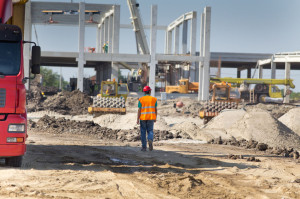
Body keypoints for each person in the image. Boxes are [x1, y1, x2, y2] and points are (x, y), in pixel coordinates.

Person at [137, 86, 157, 151]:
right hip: (151, 117)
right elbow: (155, 109)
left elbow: (139, 110)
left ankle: (144, 147)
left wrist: (137, 119)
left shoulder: (141, 99)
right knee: (150, 130)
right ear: (150, 91)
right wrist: (155, 117)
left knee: (143, 132)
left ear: (144, 92)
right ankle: (150, 139)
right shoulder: (154, 99)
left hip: (143, 118)